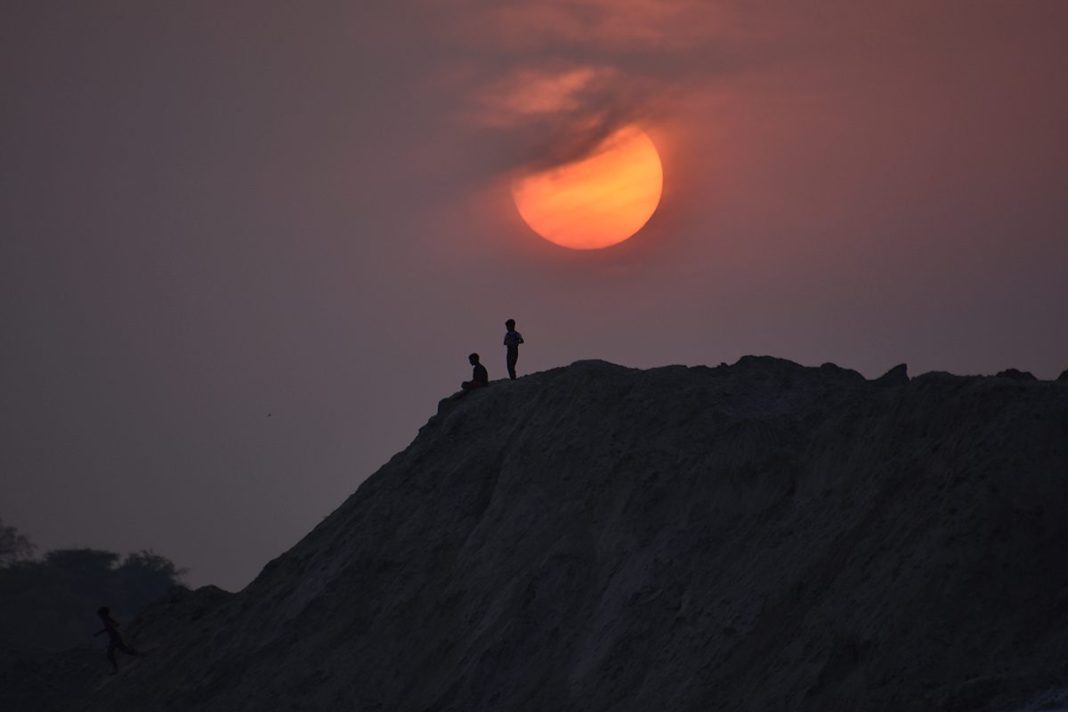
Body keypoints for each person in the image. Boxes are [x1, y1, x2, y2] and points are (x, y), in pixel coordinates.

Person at [94, 606, 142, 674]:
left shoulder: (107, 619)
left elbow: (116, 625)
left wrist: (113, 626)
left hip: (115, 638)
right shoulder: (106, 620)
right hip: (114, 638)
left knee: (110, 654)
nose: (99, 616)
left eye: (100, 614)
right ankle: (139, 654)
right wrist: (99, 633)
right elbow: (110, 627)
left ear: (103, 614)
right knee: (124, 650)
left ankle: (116, 670)